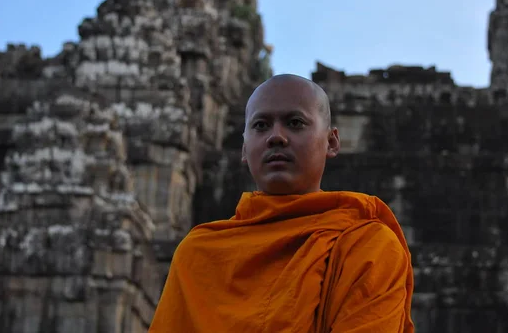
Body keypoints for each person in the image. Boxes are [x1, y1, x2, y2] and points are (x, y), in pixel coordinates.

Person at [149, 74, 415, 332]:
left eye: (295, 122)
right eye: (261, 125)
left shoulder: (368, 246)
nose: (276, 136)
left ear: (331, 142)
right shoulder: (197, 255)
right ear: (244, 148)